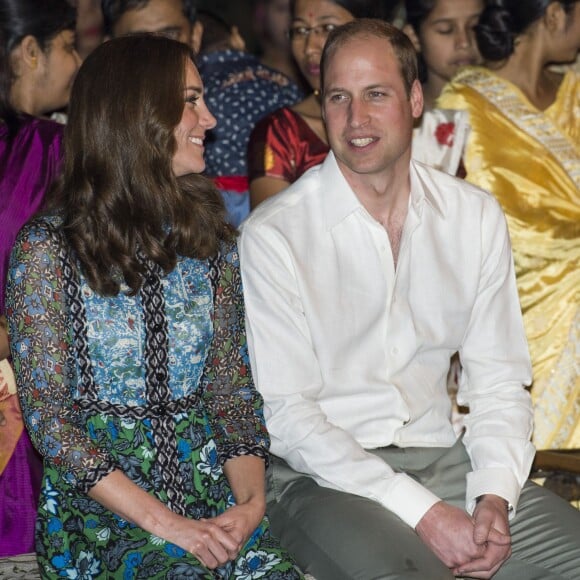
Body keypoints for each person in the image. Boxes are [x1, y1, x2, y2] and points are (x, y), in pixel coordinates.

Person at [239, 18, 580, 580]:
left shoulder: (471, 216)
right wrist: (424, 514)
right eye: (338, 98)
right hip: (325, 481)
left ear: (416, 99)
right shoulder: (276, 236)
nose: (356, 120)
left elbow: (498, 383)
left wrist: (494, 495)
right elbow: (292, 419)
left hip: (448, 464)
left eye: (377, 95)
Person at [5, 34, 302, 579]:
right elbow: (53, 425)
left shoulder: (211, 240)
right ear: (134, 113)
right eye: (190, 100)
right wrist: (171, 527)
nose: (209, 118)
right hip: (103, 518)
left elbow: (230, 392)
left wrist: (250, 507)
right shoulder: (48, 248)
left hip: (211, 498)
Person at [437, 0, 580, 450]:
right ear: (555, 14)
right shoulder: (462, 104)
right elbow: (442, 227)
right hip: (519, 317)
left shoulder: (576, 91)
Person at [0, 0, 80, 558]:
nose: (78, 62)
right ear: (31, 52)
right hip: (28, 391)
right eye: (70, 45)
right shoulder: (53, 151)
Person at [247, 0, 385, 209]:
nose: (310, 47)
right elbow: (271, 234)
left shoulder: (401, 116)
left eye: (328, 28)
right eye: (300, 30)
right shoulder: (281, 132)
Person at [197, 9, 303, 227]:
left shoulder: (199, 88)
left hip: (222, 203)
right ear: (236, 37)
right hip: (286, 192)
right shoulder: (283, 79)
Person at [402, 0, 484, 175]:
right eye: (446, 30)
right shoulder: (400, 118)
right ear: (414, 37)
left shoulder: (511, 108)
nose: (464, 42)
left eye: (475, 27)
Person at [101, 0, 202, 52]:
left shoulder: (215, 87)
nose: (156, 50)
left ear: (195, 37)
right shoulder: (96, 90)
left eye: (169, 35)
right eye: (137, 40)